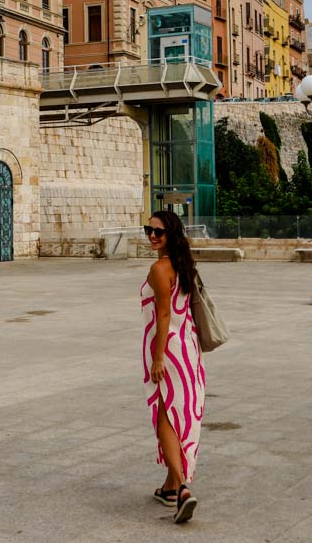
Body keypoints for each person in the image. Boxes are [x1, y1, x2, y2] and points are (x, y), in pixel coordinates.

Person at [140, 210, 206, 524]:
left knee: (165, 417)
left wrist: (157, 357)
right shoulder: (184, 266)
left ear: (172, 235)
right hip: (189, 349)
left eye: (158, 232)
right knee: (181, 416)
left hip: (169, 350)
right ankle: (169, 488)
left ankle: (181, 488)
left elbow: (163, 315)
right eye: (148, 231)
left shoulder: (159, 269)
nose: (152, 236)